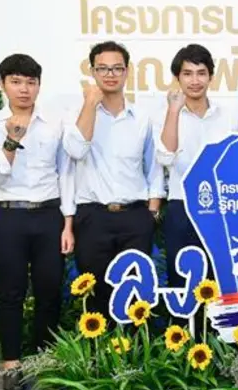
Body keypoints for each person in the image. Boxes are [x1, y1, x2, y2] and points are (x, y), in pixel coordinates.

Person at [0, 54, 74, 390]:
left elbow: (66, 173)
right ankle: (12, 365)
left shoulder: (53, 124)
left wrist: (67, 223)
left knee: (49, 290)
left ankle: (43, 360)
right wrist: (11, 141)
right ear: (3, 84)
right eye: (16, 81)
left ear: (38, 86)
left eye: (31, 82)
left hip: (48, 215)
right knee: (10, 292)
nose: (24, 89)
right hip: (8, 216)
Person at [64, 41, 165, 319]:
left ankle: (132, 346)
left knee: (135, 299)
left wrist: (151, 213)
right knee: (97, 295)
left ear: (127, 71)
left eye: (117, 68)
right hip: (93, 217)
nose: (110, 74)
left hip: (135, 217)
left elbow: (154, 167)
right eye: (103, 69)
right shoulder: (77, 115)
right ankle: (100, 348)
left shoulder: (141, 118)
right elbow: (75, 150)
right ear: (92, 71)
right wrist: (90, 104)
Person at [157, 44, 238, 336]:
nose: (195, 80)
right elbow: (165, 157)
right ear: (177, 78)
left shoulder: (227, 116)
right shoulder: (167, 114)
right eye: (188, 73)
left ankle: (221, 346)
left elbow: (236, 163)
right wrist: (173, 111)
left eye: (201, 73)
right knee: (182, 279)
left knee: (220, 279)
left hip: (221, 210)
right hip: (182, 207)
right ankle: (183, 344)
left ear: (211, 77)